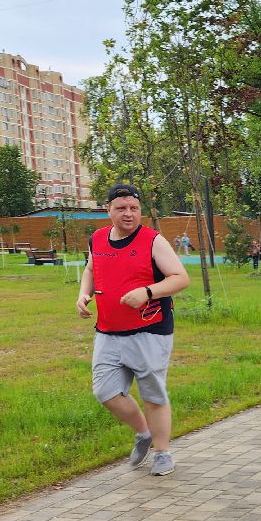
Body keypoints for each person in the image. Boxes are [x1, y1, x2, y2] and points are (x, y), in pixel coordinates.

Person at [77, 183, 190, 476]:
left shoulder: (154, 241)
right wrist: (83, 294)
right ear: (108, 211)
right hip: (108, 331)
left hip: (150, 330)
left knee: (153, 394)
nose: (129, 214)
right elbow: (92, 268)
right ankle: (143, 432)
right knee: (106, 392)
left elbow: (180, 278)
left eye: (134, 209)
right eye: (121, 208)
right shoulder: (97, 239)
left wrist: (148, 292)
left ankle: (163, 452)